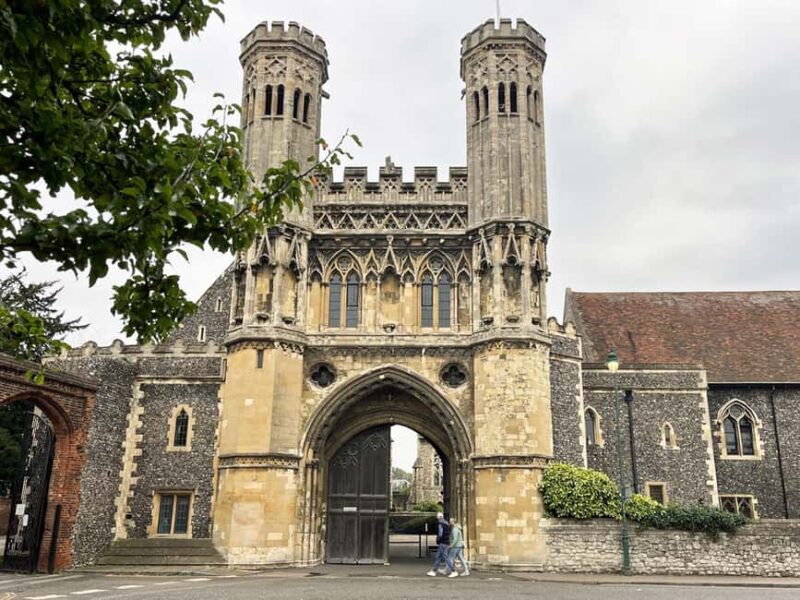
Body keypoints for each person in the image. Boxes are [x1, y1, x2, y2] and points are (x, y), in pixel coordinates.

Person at [426, 512, 457, 577]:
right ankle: (433, 571)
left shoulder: (440, 524)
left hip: (443, 542)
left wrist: (438, 539)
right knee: (439, 557)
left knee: (445, 557)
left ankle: (453, 571)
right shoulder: (447, 523)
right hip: (446, 542)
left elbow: (440, 534)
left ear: (438, 517)